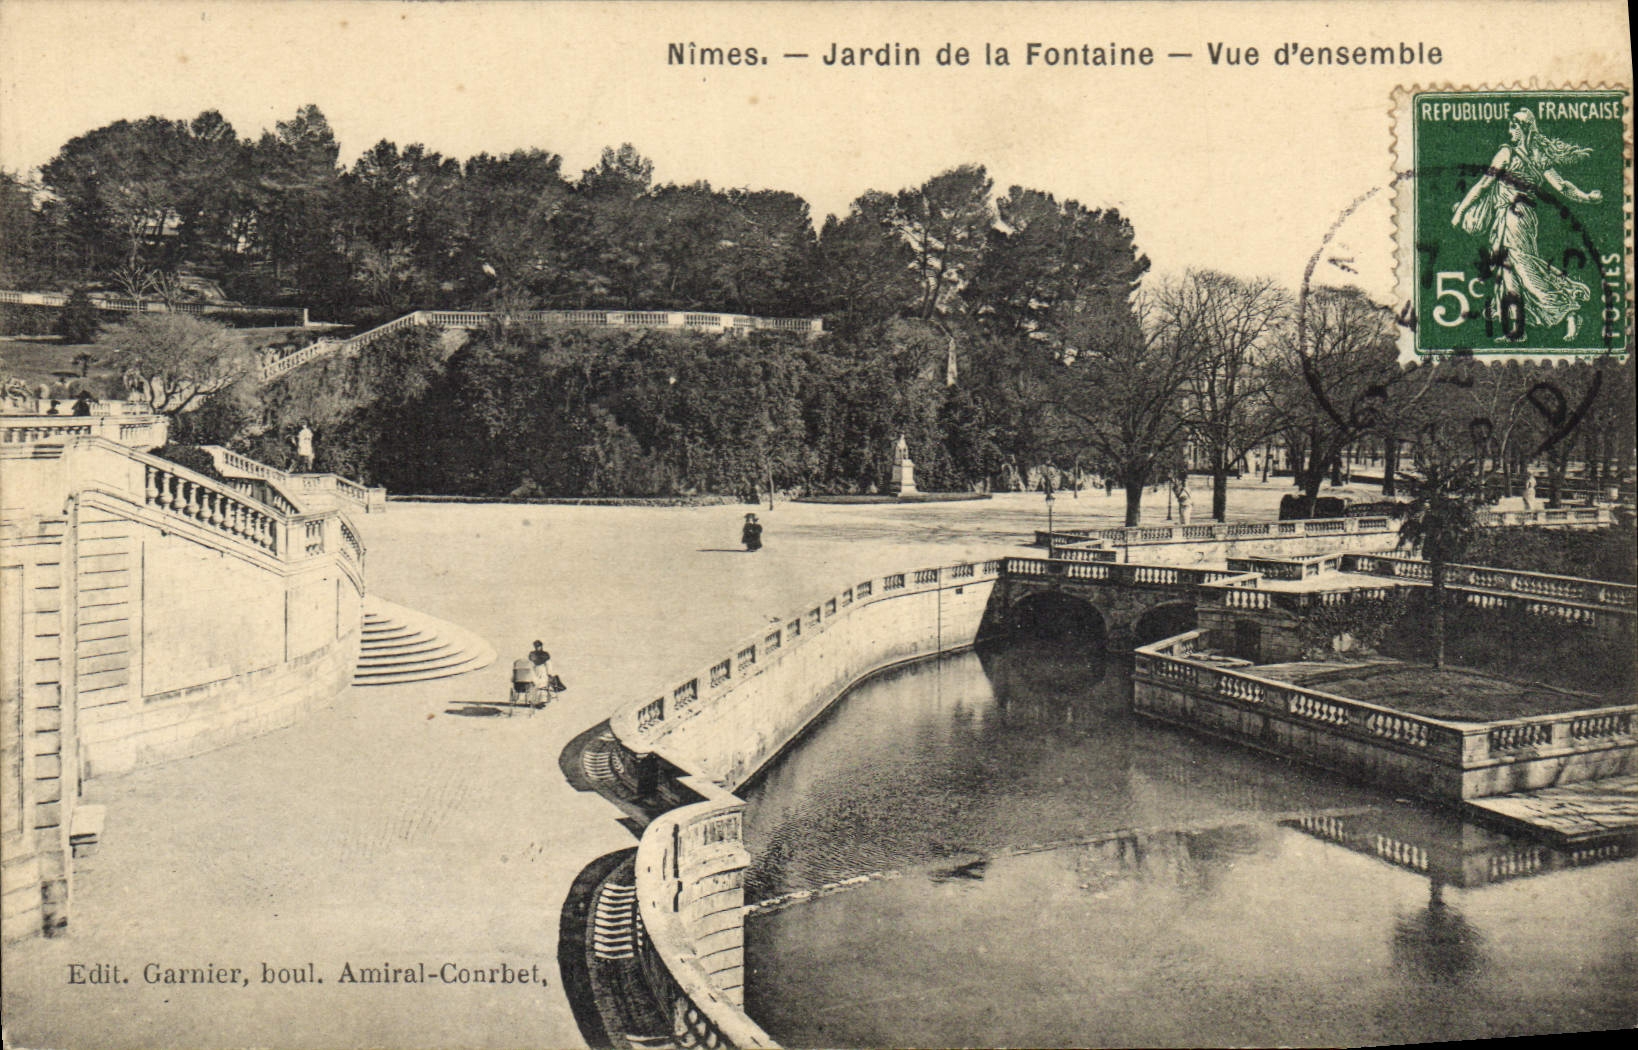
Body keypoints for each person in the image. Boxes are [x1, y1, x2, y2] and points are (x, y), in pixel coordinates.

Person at [1451, 109, 1602, 341]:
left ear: (1524, 129)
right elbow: (1562, 187)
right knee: (1507, 270)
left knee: (1524, 269)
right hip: (1510, 216)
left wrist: (1460, 212)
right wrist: (1586, 196)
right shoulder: (1532, 155)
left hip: (1517, 217)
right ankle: (1516, 328)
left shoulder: (1510, 153)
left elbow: (1484, 185)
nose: (1510, 131)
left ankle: (1569, 312)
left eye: (1513, 127)